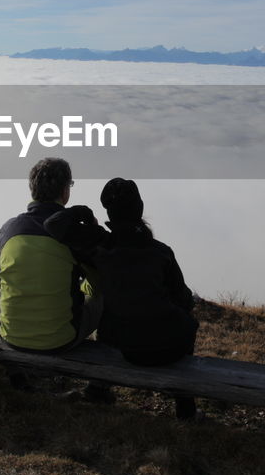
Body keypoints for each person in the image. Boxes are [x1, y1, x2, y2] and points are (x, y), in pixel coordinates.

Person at [45, 177, 199, 419]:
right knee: (186, 319)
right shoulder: (161, 252)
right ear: (139, 208)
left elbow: (53, 224)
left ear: (109, 212)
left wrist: (81, 211)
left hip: (122, 344)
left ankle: (98, 389)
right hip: (169, 347)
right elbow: (184, 299)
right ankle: (185, 407)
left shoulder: (100, 245)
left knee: (107, 311)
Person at [0, 158, 102, 358]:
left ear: (33, 189)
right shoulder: (73, 233)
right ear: (65, 191)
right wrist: (80, 288)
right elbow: (97, 285)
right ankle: (100, 381)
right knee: (101, 299)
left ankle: (15, 373)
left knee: (3, 291)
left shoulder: (9, 229)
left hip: (11, 337)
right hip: (60, 341)